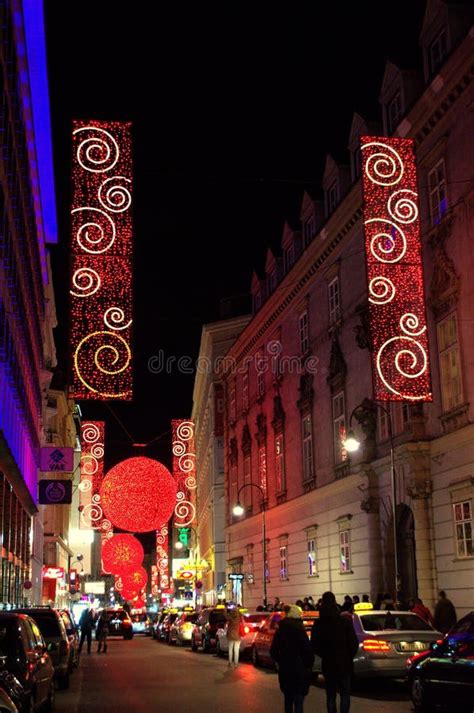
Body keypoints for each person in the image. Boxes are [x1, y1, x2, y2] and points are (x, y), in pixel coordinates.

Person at [311, 591, 358, 713]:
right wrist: (348, 656)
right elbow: (353, 643)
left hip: (329, 664)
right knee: (345, 694)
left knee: (331, 695)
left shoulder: (319, 624)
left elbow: (315, 645)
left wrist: (325, 655)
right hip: (344, 663)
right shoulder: (344, 622)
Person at [270, 604, 314, 713]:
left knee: (288, 700)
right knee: (298, 702)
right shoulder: (300, 631)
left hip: (285, 670)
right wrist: (308, 665)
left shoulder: (281, 631)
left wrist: (280, 661)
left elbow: (273, 651)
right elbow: (308, 652)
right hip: (300, 671)